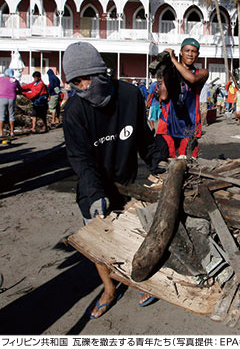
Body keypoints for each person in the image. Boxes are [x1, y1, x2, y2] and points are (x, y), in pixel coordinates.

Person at [61, 41, 165, 318]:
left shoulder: (130, 95)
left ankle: (136, 279)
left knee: (132, 239)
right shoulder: (73, 112)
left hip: (126, 182)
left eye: (86, 79)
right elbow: (81, 160)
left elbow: (144, 139)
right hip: (93, 188)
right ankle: (108, 288)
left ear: (101, 73)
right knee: (100, 248)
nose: (83, 87)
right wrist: (95, 193)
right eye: (76, 82)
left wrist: (161, 164)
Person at [163, 37, 209, 158]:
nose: (190, 54)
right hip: (170, 121)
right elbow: (164, 95)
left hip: (190, 122)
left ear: (197, 54)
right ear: (181, 52)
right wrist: (167, 70)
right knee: (166, 161)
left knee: (189, 160)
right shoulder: (172, 71)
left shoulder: (202, 72)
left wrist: (173, 59)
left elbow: (192, 79)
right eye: (187, 50)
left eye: (193, 51)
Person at [0, 69, 21, 137]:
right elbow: (20, 89)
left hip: (2, 98)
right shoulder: (15, 80)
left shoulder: (1, 79)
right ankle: (12, 132)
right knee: (11, 115)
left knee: (1, 115)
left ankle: (0, 133)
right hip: (12, 98)